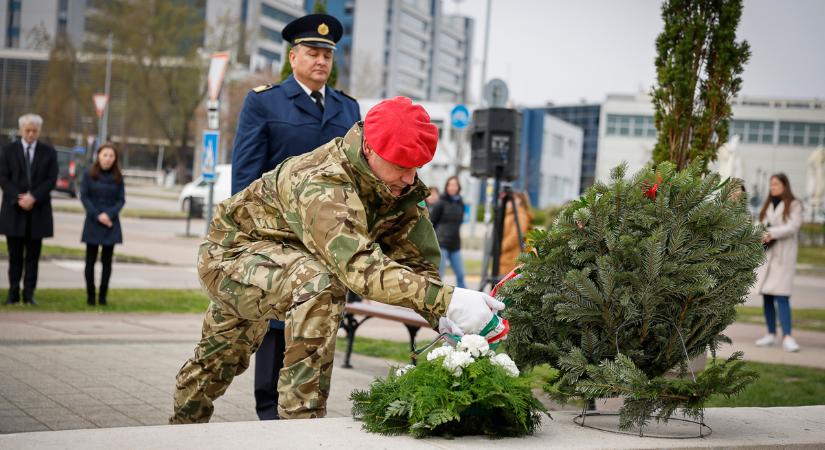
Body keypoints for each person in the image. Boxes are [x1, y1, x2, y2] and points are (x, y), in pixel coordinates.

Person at [169, 97, 506, 424]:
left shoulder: (397, 189)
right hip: (232, 256)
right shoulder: (323, 180)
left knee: (220, 357)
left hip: (291, 262)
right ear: (371, 149)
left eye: (416, 167)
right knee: (318, 287)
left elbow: (416, 262)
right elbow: (360, 268)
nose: (409, 177)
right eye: (402, 166)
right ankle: (304, 428)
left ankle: (184, 426)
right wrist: (449, 300)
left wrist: (445, 317)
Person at [230, 13, 361, 421]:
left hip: (331, 240)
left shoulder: (348, 108)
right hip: (281, 236)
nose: (321, 60)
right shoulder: (264, 102)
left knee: (321, 320)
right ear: (293, 56)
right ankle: (269, 412)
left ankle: (309, 410)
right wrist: (251, 237)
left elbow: (357, 179)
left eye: (327, 54)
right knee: (276, 324)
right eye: (312, 52)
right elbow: (246, 176)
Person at [0, 114, 58, 305]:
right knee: (15, 257)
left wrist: (33, 197)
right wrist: (20, 197)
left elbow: (51, 180)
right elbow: (4, 178)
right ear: (20, 130)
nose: (31, 134)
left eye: (34, 130)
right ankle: (13, 293)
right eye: (27, 130)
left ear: (39, 131)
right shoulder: (8, 151)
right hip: (14, 211)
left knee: (33, 257)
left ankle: (29, 294)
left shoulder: (48, 152)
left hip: (38, 212)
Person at [755, 173, 802, 352]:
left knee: (782, 296)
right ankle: (770, 334)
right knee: (767, 295)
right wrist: (762, 235)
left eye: (776, 184)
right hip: (768, 256)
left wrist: (771, 233)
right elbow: (760, 225)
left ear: (784, 185)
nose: (772, 187)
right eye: (771, 184)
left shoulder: (794, 204)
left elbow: (792, 227)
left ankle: (788, 336)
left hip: (783, 257)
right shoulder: (767, 204)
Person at [80, 143, 125, 306]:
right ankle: (91, 296)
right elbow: (84, 197)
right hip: (93, 221)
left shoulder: (118, 177)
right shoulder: (88, 174)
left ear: (115, 158)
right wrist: (98, 215)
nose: (108, 158)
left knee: (107, 262)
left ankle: (103, 296)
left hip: (110, 223)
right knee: (90, 261)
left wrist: (109, 215)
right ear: (98, 156)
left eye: (111, 156)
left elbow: (121, 200)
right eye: (105, 155)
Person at [430, 176, 466, 288]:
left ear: (458, 187)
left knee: (461, 274)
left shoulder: (461, 203)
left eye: (455, 185)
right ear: (446, 187)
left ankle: (467, 300)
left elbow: (459, 223)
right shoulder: (441, 202)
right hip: (441, 243)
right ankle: (435, 299)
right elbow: (432, 222)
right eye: (450, 185)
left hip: (455, 244)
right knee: (440, 275)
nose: (452, 187)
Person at [498, 191, 533, 276]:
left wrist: (500, 248)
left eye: (512, 199)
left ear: (520, 201)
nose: (509, 202)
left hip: (511, 259)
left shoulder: (521, 215)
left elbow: (516, 236)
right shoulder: (510, 213)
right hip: (505, 258)